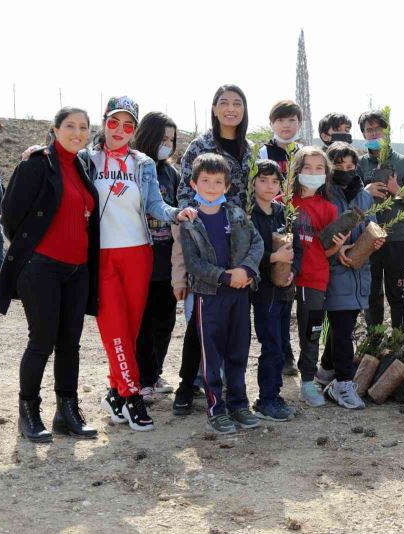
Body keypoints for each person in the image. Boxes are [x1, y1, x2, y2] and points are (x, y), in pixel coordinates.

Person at [0, 107, 99, 442]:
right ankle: (29, 412)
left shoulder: (82, 166)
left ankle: (66, 412)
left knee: (71, 344)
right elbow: (9, 215)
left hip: (77, 270)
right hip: (41, 269)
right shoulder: (36, 163)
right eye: (70, 126)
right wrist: (34, 252)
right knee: (42, 342)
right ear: (55, 130)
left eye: (83, 127)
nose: (77, 133)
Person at [93, 96, 196, 432]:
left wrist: (175, 213)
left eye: (127, 125)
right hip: (103, 255)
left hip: (139, 253)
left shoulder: (143, 164)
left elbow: (155, 204)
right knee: (115, 330)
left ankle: (115, 392)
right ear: (104, 122)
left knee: (133, 329)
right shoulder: (87, 159)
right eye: (113, 122)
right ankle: (131, 394)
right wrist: (41, 153)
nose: (119, 130)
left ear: (134, 131)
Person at [172, 84, 252, 415]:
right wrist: (197, 225)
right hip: (205, 238)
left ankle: (228, 391)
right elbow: (183, 192)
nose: (231, 108)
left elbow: (247, 194)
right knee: (200, 320)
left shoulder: (248, 148)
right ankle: (186, 384)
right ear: (215, 109)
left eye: (237, 103)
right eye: (224, 103)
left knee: (231, 324)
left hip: (238, 239)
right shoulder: (200, 146)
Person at [179, 153, 263, 434]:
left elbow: (257, 243)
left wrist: (247, 271)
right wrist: (225, 276)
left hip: (239, 293)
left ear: (227, 186)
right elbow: (194, 264)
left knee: (238, 350)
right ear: (194, 184)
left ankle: (239, 404)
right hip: (210, 295)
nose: (212, 187)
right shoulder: (190, 221)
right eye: (205, 181)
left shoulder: (237, 214)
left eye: (218, 182)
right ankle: (216, 408)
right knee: (211, 354)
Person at [321, 142, 385, 409]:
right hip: (335, 271)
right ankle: (343, 383)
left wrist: (373, 240)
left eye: (350, 166)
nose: (345, 171)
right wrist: (338, 251)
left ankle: (324, 373)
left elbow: (371, 226)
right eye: (338, 166)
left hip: (359, 270)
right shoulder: (324, 196)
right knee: (343, 328)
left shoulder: (364, 196)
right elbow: (320, 237)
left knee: (342, 325)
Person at [289, 147, 345, 405]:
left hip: (314, 277)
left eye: (319, 168)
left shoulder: (329, 209)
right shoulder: (283, 202)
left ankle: (308, 381)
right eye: (307, 168)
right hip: (282, 278)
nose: (313, 173)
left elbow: (328, 250)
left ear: (326, 174)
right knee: (273, 331)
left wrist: (338, 243)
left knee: (311, 330)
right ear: (297, 170)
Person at [248, 159, 303, 421]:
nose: (269, 186)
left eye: (275, 181)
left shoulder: (284, 212)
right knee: (270, 344)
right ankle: (266, 399)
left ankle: (275, 394)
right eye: (263, 180)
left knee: (281, 343)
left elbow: (298, 248)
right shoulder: (248, 215)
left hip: (284, 289)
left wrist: (294, 270)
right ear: (253, 183)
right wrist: (274, 258)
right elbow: (246, 254)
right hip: (263, 291)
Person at [132, 112, 180, 402]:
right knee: (144, 321)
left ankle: (155, 372)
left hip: (167, 258)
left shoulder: (171, 172)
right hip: (141, 255)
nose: (167, 145)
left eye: (171, 140)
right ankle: (142, 377)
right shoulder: (134, 167)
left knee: (165, 320)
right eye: (163, 138)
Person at [358, 109, 404, 332]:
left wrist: (397, 190)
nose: (374, 134)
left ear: (387, 131)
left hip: (397, 238)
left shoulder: (403, 163)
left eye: (378, 129)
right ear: (363, 134)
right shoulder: (360, 164)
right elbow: (351, 200)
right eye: (369, 130)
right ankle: (374, 339)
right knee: (372, 291)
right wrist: (365, 191)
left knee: (398, 291)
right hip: (368, 239)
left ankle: (399, 340)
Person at [258, 99, 303, 376]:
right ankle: (275, 351)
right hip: (268, 221)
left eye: (292, 120)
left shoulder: (302, 152)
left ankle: (286, 352)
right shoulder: (264, 150)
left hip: (293, 221)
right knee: (270, 290)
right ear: (272, 123)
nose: (286, 126)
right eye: (281, 120)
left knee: (288, 287)